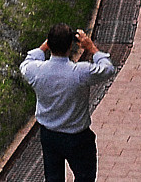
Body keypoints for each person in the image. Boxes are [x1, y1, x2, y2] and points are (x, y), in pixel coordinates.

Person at [19, 24, 113, 182]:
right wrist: (91, 48)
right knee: (85, 177)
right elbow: (108, 68)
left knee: (53, 179)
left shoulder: (36, 71)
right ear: (71, 45)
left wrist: (43, 46)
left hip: (49, 136)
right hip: (78, 137)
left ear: (49, 44)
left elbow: (26, 63)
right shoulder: (80, 73)